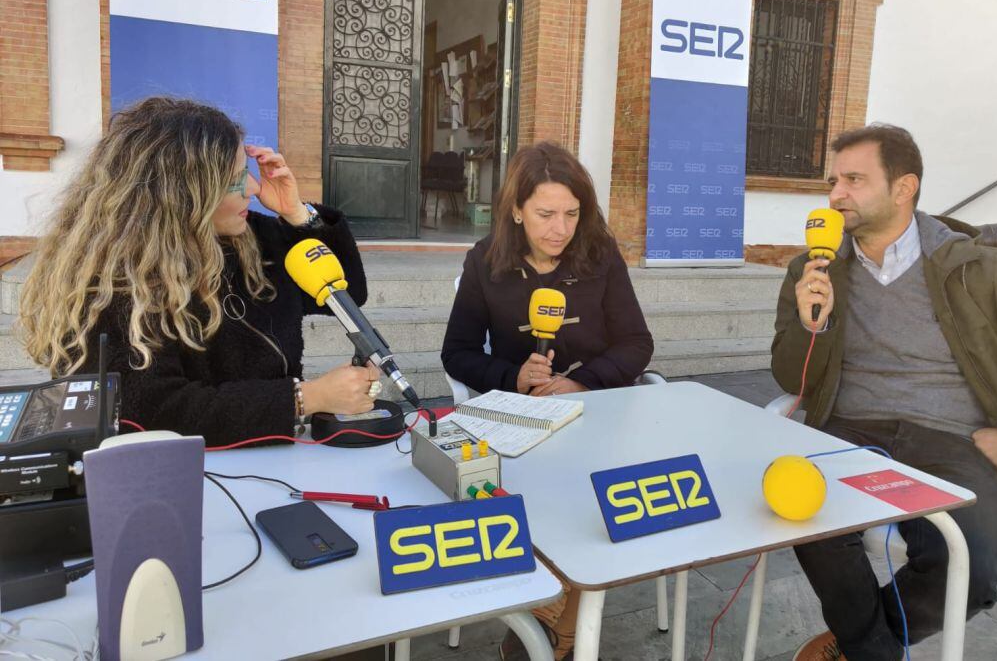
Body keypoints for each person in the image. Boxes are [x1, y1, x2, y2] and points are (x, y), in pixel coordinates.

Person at [771, 124, 997, 661]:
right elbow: (788, 376)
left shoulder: (979, 268)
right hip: (848, 431)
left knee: (975, 572)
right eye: (833, 181)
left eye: (854, 180)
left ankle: (855, 646)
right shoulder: (813, 268)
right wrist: (808, 323)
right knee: (804, 517)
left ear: (903, 187)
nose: (836, 195)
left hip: (954, 440)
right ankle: (872, 651)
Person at [19, 97, 380, 447]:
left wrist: (297, 214)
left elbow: (344, 295)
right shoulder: (113, 280)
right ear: (185, 193)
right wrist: (304, 398)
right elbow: (147, 409)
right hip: (180, 479)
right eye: (236, 180)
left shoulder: (253, 239)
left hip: (271, 460)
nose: (254, 189)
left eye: (248, 174)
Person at [441, 141, 654, 660]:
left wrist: (584, 383)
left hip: (597, 411)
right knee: (527, 495)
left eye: (572, 214)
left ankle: (552, 619)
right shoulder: (485, 261)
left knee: (588, 500)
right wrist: (512, 376)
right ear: (516, 210)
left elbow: (637, 344)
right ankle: (551, 610)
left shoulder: (600, 256)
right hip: (523, 418)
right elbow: (458, 353)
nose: (560, 228)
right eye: (545, 214)